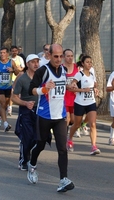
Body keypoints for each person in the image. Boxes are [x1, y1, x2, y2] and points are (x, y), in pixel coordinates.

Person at [28, 44, 75, 193]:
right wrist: (44, 89)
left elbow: (63, 86)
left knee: (62, 148)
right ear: (49, 55)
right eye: (56, 56)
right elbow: (32, 90)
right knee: (40, 145)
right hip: (44, 115)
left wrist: (71, 84)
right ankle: (32, 165)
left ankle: (63, 179)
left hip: (59, 116)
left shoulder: (63, 70)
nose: (59, 59)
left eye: (61, 56)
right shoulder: (43, 71)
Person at [67, 55, 100, 155]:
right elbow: (71, 88)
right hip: (80, 102)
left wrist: (95, 89)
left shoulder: (92, 74)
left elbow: (93, 86)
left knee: (93, 124)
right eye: (87, 62)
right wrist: (81, 90)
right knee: (77, 124)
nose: (89, 64)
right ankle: (69, 139)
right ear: (82, 63)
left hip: (91, 102)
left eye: (90, 62)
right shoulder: (79, 75)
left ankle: (94, 146)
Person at [11, 54, 40, 171]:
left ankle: (30, 158)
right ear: (27, 64)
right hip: (26, 111)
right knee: (26, 137)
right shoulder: (22, 79)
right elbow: (14, 97)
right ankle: (24, 160)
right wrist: (25, 103)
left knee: (38, 138)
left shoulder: (41, 78)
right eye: (33, 62)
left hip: (39, 111)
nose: (36, 64)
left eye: (37, 61)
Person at [0, 47, 19, 132]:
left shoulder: (11, 62)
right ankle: (5, 123)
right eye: (1, 53)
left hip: (8, 86)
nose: (2, 54)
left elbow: (17, 72)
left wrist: (13, 69)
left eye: (4, 53)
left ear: (7, 54)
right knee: (3, 103)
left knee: (5, 105)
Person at [62, 49, 78, 136]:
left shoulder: (77, 67)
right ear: (64, 57)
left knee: (74, 119)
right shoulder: (60, 68)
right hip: (64, 97)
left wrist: (78, 87)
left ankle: (71, 133)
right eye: (68, 56)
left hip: (74, 97)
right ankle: (65, 138)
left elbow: (81, 80)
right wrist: (67, 86)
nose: (70, 58)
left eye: (71, 56)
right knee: (67, 119)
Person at [8, 45, 25, 116]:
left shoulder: (20, 58)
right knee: (12, 93)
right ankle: (10, 108)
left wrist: (17, 69)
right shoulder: (8, 59)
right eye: (13, 51)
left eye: (15, 51)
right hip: (10, 79)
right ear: (10, 52)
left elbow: (23, 67)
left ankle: (21, 108)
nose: (14, 52)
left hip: (18, 78)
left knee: (19, 94)